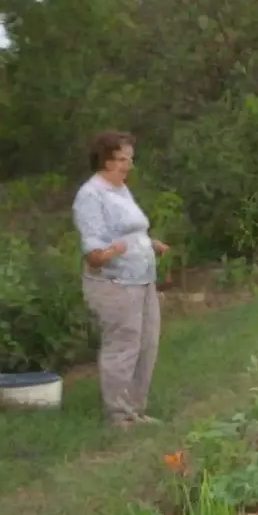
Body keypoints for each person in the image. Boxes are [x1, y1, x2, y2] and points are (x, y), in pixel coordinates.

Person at [71, 130, 170, 428]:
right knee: (123, 345)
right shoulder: (91, 195)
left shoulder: (121, 189)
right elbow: (94, 251)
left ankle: (135, 409)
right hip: (115, 283)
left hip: (142, 278)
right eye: (123, 159)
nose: (129, 165)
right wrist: (111, 252)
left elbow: (130, 229)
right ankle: (118, 413)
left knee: (146, 344)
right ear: (106, 160)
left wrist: (149, 244)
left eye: (130, 159)